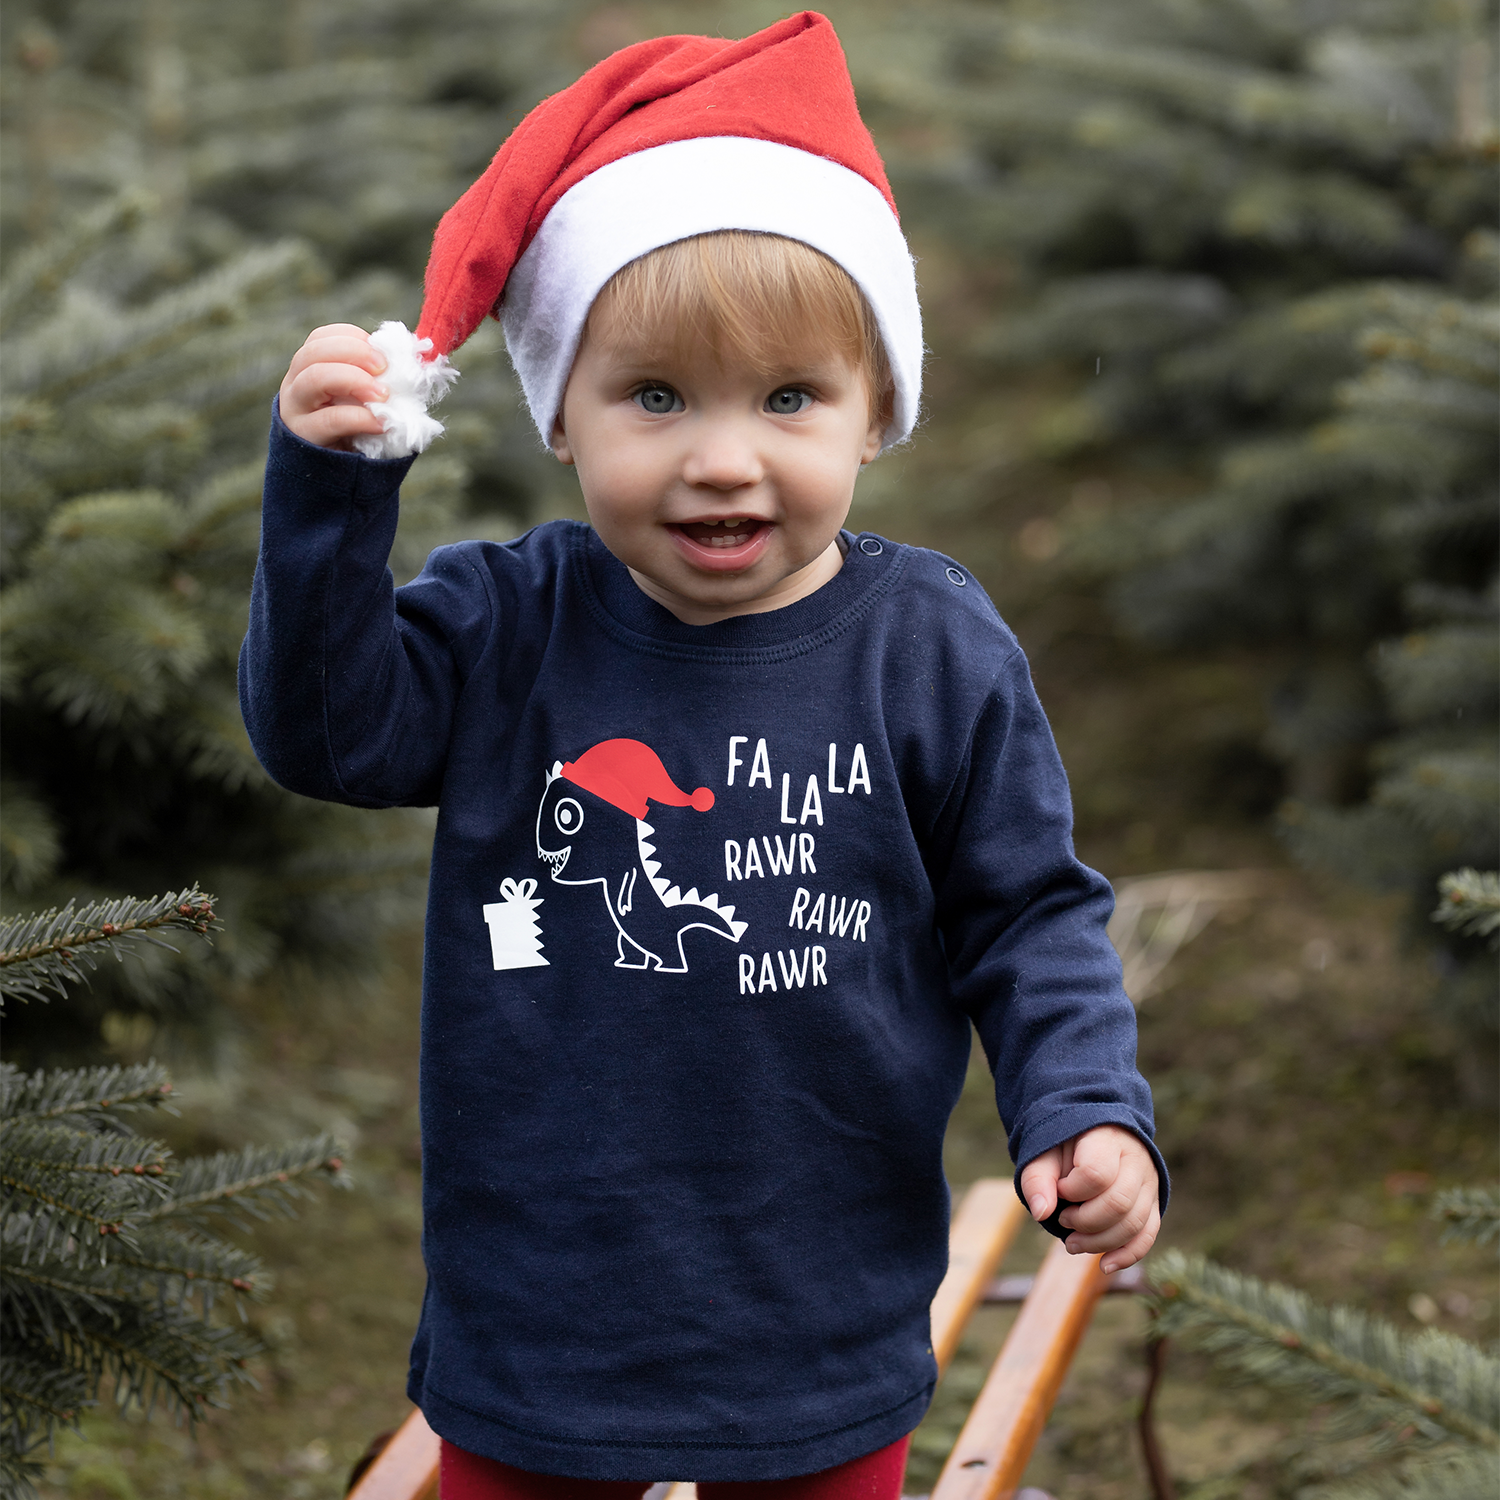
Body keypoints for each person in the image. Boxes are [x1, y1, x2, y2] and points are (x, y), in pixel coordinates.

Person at [240, 13, 1165, 1499]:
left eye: (789, 398)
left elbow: (1029, 913)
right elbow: (329, 734)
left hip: (821, 1303)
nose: (723, 457)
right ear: (561, 412)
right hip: (542, 1308)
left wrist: (1086, 1107)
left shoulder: (929, 648)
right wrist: (332, 494)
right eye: (656, 397)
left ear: (877, 411)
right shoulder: (510, 622)